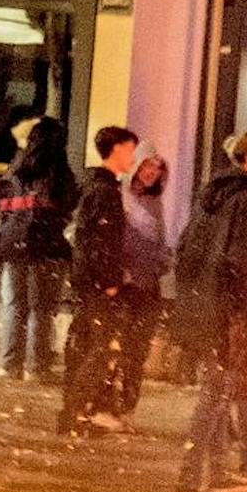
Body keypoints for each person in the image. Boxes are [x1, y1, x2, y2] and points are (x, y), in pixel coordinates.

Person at [171, 130, 247, 492]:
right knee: (215, 395)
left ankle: (216, 473)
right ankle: (189, 481)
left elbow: (188, 247)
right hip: (230, 313)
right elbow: (244, 261)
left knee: (217, 393)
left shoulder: (215, 195)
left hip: (206, 305)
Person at [58, 124, 139, 435]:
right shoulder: (104, 191)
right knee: (99, 348)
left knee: (91, 346)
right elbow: (98, 240)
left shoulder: (98, 186)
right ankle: (76, 412)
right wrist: (108, 279)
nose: (132, 156)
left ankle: (79, 411)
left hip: (88, 279)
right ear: (116, 149)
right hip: (96, 282)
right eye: (130, 149)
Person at [0, 116, 77, 381]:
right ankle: (37, 366)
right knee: (41, 309)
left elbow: (1, 202)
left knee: (13, 305)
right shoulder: (59, 172)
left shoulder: (17, 167)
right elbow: (68, 204)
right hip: (46, 246)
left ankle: (10, 365)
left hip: (14, 244)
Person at [110, 146, 172, 424]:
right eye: (148, 166)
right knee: (118, 345)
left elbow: (159, 240)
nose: (151, 173)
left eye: (156, 169)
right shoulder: (119, 197)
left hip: (148, 284)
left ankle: (127, 405)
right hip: (125, 283)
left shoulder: (154, 202)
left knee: (137, 349)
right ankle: (108, 402)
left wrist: (162, 263)